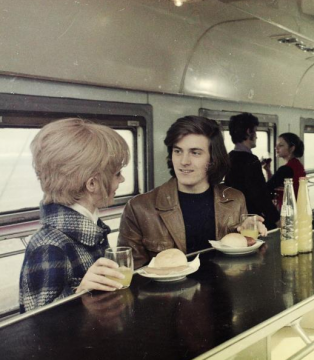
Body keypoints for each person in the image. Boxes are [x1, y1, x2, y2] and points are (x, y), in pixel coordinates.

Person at [118, 115, 267, 268]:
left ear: (213, 159)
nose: (184, 161)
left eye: (195, 153)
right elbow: (130, 273)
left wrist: (246, 236)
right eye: (178, 151)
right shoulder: (139, 208)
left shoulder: (235, 199)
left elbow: (241, 265)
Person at [20, 118, 130, 312]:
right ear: (92, 184)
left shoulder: (91, 227)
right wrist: (79, 295)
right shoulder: (49, 246)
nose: (122, 179)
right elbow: (37, 324)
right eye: (117, 173)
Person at [224, 113, 279, 229]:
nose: (257, 137)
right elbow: (261, 196)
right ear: (249, 132)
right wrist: (277, 219)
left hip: (235, 218)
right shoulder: (251, 160)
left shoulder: (229, 157)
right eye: (255, 131)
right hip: (252, 220)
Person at [265, 133, 307, 209]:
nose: (276, 148)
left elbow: (266, 188)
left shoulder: (286, 169)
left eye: (280, 145)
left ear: (292, 148)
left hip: (289, 211)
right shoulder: (297, 164)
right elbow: (274, 184)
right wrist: (268, 170)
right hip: (299, 208)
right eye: (276, 145)